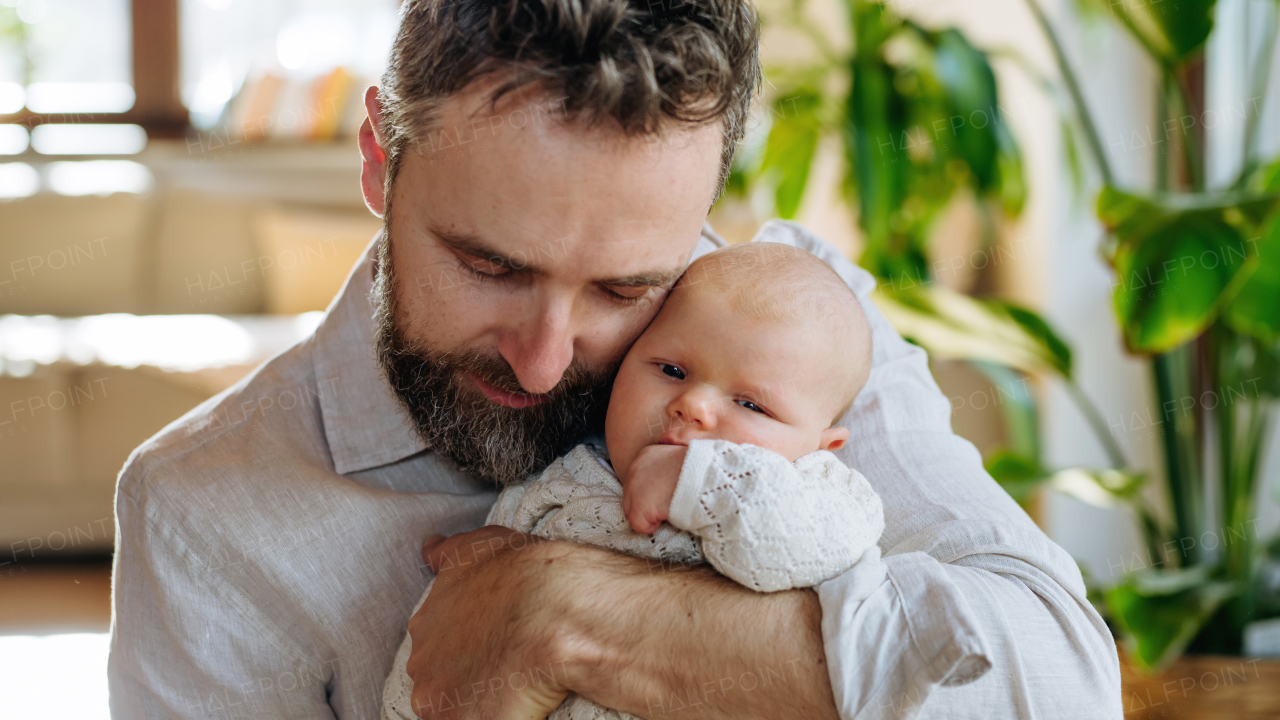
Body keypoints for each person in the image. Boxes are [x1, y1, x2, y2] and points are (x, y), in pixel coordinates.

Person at [107, 1, 1123, 718]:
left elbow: (1062, 686)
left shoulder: (799, 333)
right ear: (380, 158)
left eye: (624, 289)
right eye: (487, 265)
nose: (546, 363)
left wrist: (566, 618)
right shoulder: (203, 514)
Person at [381, 242, 888, 720]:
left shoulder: (822, 494)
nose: (694, 405)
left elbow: (802, 549)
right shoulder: (560, 480)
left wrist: (698, 482)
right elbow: (453, 643)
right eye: (671, 369)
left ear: (825, 446)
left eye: (752, 405)